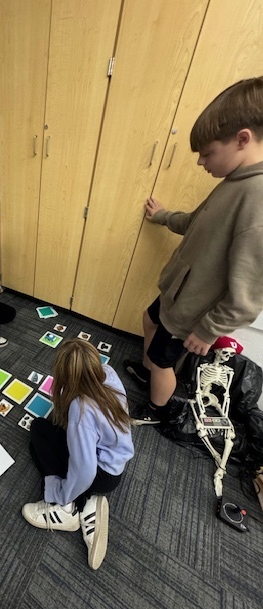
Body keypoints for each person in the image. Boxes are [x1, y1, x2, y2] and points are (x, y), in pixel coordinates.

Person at [126, 76, 263, 426]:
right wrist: (163, 217)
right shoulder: (233, 182)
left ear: (242, 139)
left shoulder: (256, 199)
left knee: (163, 362)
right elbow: (195, 221)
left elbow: (248, 295)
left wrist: (208, 330)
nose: (202, 163)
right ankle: (151, 376)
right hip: (177, 295)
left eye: (207, 153)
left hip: (193, 311)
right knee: (148, 321)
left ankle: (157, 410)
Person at [21, 339, 134, 570]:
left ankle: (68, 510)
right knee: (51, 432)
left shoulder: (81, 410)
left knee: (38, 432)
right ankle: (89, 504)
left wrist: (61, 494)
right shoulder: (108, 373)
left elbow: (84, 470)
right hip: (116, 464)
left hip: (100, 475)